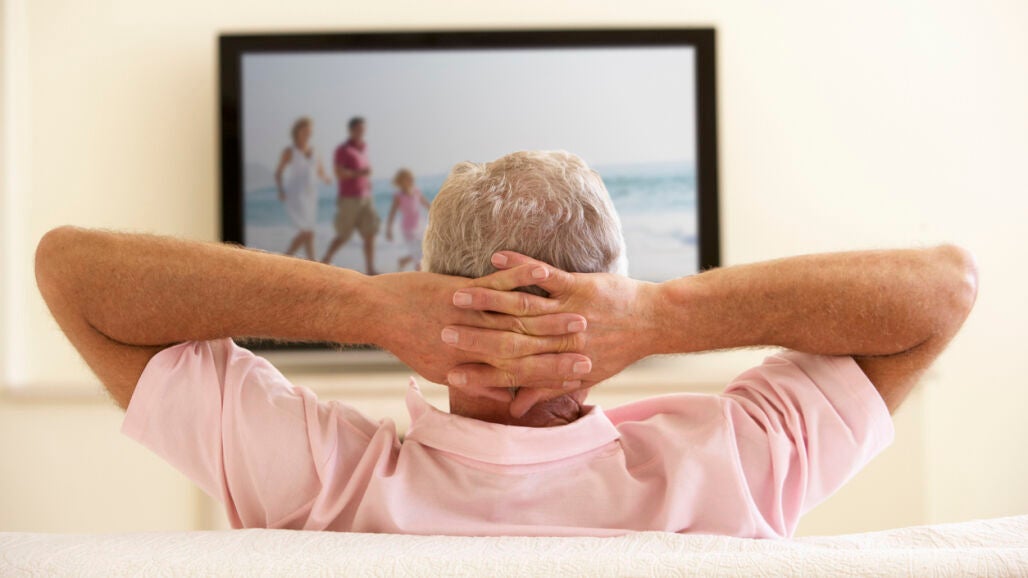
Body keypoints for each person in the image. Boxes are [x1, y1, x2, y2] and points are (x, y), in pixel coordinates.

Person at [35, 151, 978, 537]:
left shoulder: (320, 481)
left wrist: (366, 306)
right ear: (610, 285)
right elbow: (944, 291)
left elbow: (71, 272)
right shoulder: (729, 464)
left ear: (426, 281)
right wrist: (663, 316)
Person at [321, 116, 378, 274]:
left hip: (366, 198)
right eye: (358, 129)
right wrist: (359, 173)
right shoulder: (343, 150)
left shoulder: (364, 148)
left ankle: (370, 270)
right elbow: (339, 173)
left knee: (370, 233)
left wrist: (367, 183)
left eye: (363, 129)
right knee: (344, 235)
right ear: (351, 130)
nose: (361, 132)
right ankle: (325, 261)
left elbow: (364, 173)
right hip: (349, 199)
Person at [274, 117, 332, 260]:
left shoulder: (314, 151)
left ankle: (313, 263)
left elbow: (320, 171)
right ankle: (284, 259)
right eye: (304, 131)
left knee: (310, 232)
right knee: (307, 232)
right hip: (295, 195)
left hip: (311, 196)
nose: (307, 134)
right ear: (297, 131)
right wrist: (281, 191)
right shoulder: (290, 151)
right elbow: (278, 172)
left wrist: (326, 179)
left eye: (309, 132)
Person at [386, 168, 431, 271]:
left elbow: (427, 205)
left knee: (425, 250)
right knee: (418, 254)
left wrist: (437, 214)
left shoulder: (416, 191)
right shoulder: (399, 196)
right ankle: (418, 273)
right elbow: (392, 213)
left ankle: (404, 261)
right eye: (408, 178)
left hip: (420, 225)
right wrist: (389, 229)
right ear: (401, 181)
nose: (411, 180)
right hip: (408, 229)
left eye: (411, 178)